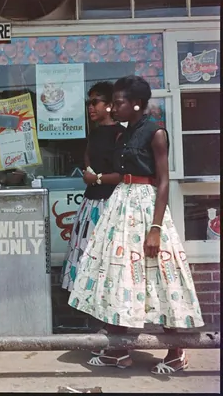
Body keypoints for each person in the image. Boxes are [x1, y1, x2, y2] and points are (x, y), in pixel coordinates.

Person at [68, 75, 204, 374]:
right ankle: (119, 349)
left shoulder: (155, 132)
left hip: (145, 206)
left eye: (119, 103)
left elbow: (163, 181)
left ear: (137, 104)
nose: (114, 108)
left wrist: (155, 228)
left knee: (161, 275)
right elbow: (119, 172)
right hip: (121, 204)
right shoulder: (125, 133)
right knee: (118, 275)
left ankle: (176, 351)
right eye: (113, 103)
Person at [61, 82, 124, 291]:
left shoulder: (121, 135)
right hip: (91, 204)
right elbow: (87, 155)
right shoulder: (95, 133)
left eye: (95, 102)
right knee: (87, 255)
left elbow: (125, 174)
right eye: (89, 102)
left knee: (108, 257)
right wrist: (89, 169)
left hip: (112, 204)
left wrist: (95, 178)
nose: (90, 107)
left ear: (109, 105)